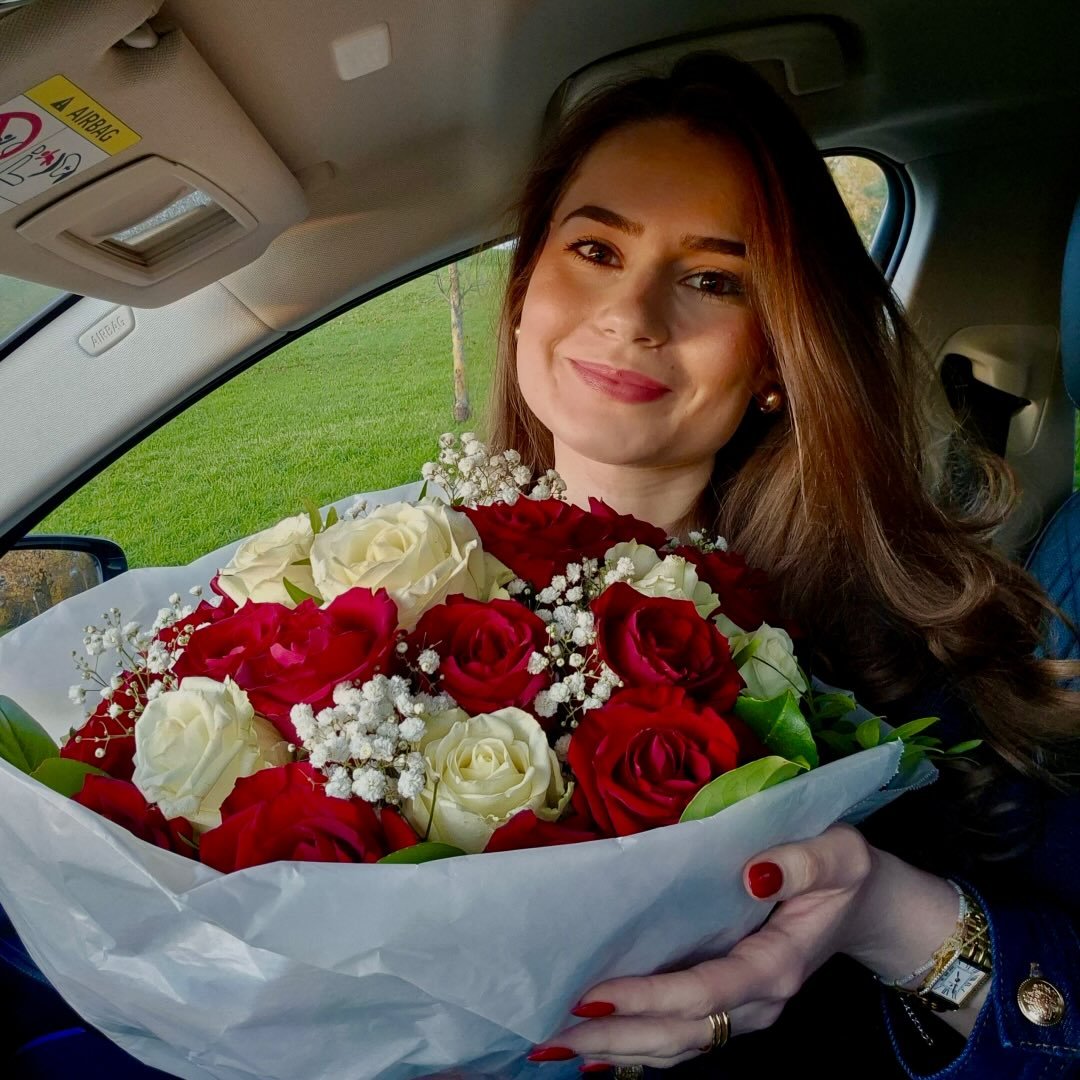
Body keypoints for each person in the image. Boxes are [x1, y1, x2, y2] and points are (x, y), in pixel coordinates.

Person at [485, 52, 1080, 1078]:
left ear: (773, 357)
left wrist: (884, 911)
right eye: (595, 248)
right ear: (523, 289)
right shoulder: (366, 613)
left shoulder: (916, 651)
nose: (633, 315)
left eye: (712, 280)